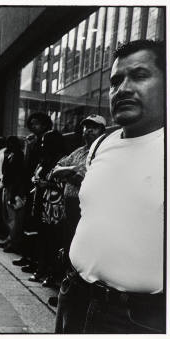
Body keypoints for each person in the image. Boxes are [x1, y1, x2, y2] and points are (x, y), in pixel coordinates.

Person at [55, 39, 165, 334]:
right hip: (74, 296)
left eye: (140, 76)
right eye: (116, 81)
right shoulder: (101, 145)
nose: (123, 89)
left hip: (136, 318)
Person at [46, 114, 106, 307]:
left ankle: (80, 297)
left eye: (93, 128)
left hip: (87, 209)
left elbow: (89, 178)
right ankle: (68, 291)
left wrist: (71, 174)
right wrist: (71, 171)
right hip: (69, 207)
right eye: (85, 127)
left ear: (102, 132)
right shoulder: (79, 151)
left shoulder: (103, 152)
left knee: (83, 252)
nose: (87, 131)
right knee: (69, 248)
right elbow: (55, 170)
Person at [13, 112, 52, 272]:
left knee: (34, 225)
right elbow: (27, 165)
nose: (34, 127)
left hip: (40, 188)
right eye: (32, 124)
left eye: (37, 123)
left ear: (44, 124)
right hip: (31, 186)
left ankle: (33, 259)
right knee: (28, 223)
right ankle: (27, 256)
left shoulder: (47, 141)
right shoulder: (33, 141)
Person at [28, 130, 66, 286]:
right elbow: (37, 174)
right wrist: (36, 180)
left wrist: (46, 183)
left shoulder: (63, 160)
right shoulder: (46, 159)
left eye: (45, 142)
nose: (42, 145)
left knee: (53, 241)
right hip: (42, 204)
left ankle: (52, 274)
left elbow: (64, 183)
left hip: (54, 207)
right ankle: (41, 269)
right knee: (43, 238)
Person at [0, 136, 26, 253]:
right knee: (8, 215)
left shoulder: (19, 156)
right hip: (7, 186)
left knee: (13, 216)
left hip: (13, 188)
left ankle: (13, 241)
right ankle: (9, 238)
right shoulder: (10, 155)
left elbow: (18, 175)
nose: (8, 145)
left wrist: (15, 193)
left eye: (11, 143)